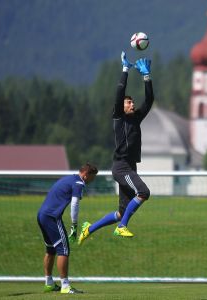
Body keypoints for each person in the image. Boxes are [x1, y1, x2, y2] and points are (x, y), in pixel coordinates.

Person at [78, 51, 153, 244]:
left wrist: (147, 76)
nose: (132, 103)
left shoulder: (136, 118)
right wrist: (125, 70)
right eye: (129, 102)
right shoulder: (119, 117)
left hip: (130, 166)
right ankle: (122, 228)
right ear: (122, 105)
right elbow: (119, 91)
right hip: (121, 167)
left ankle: (89, 228)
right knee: (143, 192)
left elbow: (150, 100)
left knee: (121, 212)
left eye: (132, 101)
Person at [37, 163, 98, 294]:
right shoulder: (79, 183)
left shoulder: (68, 178)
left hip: (41, 215)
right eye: (92, 177)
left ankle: (49, 284)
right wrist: (74, 225)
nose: (92, 181)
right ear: (86, 174)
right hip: (52, 217)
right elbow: (75, 204)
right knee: (63, 249)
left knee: (50, 249)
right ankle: (65, 286)